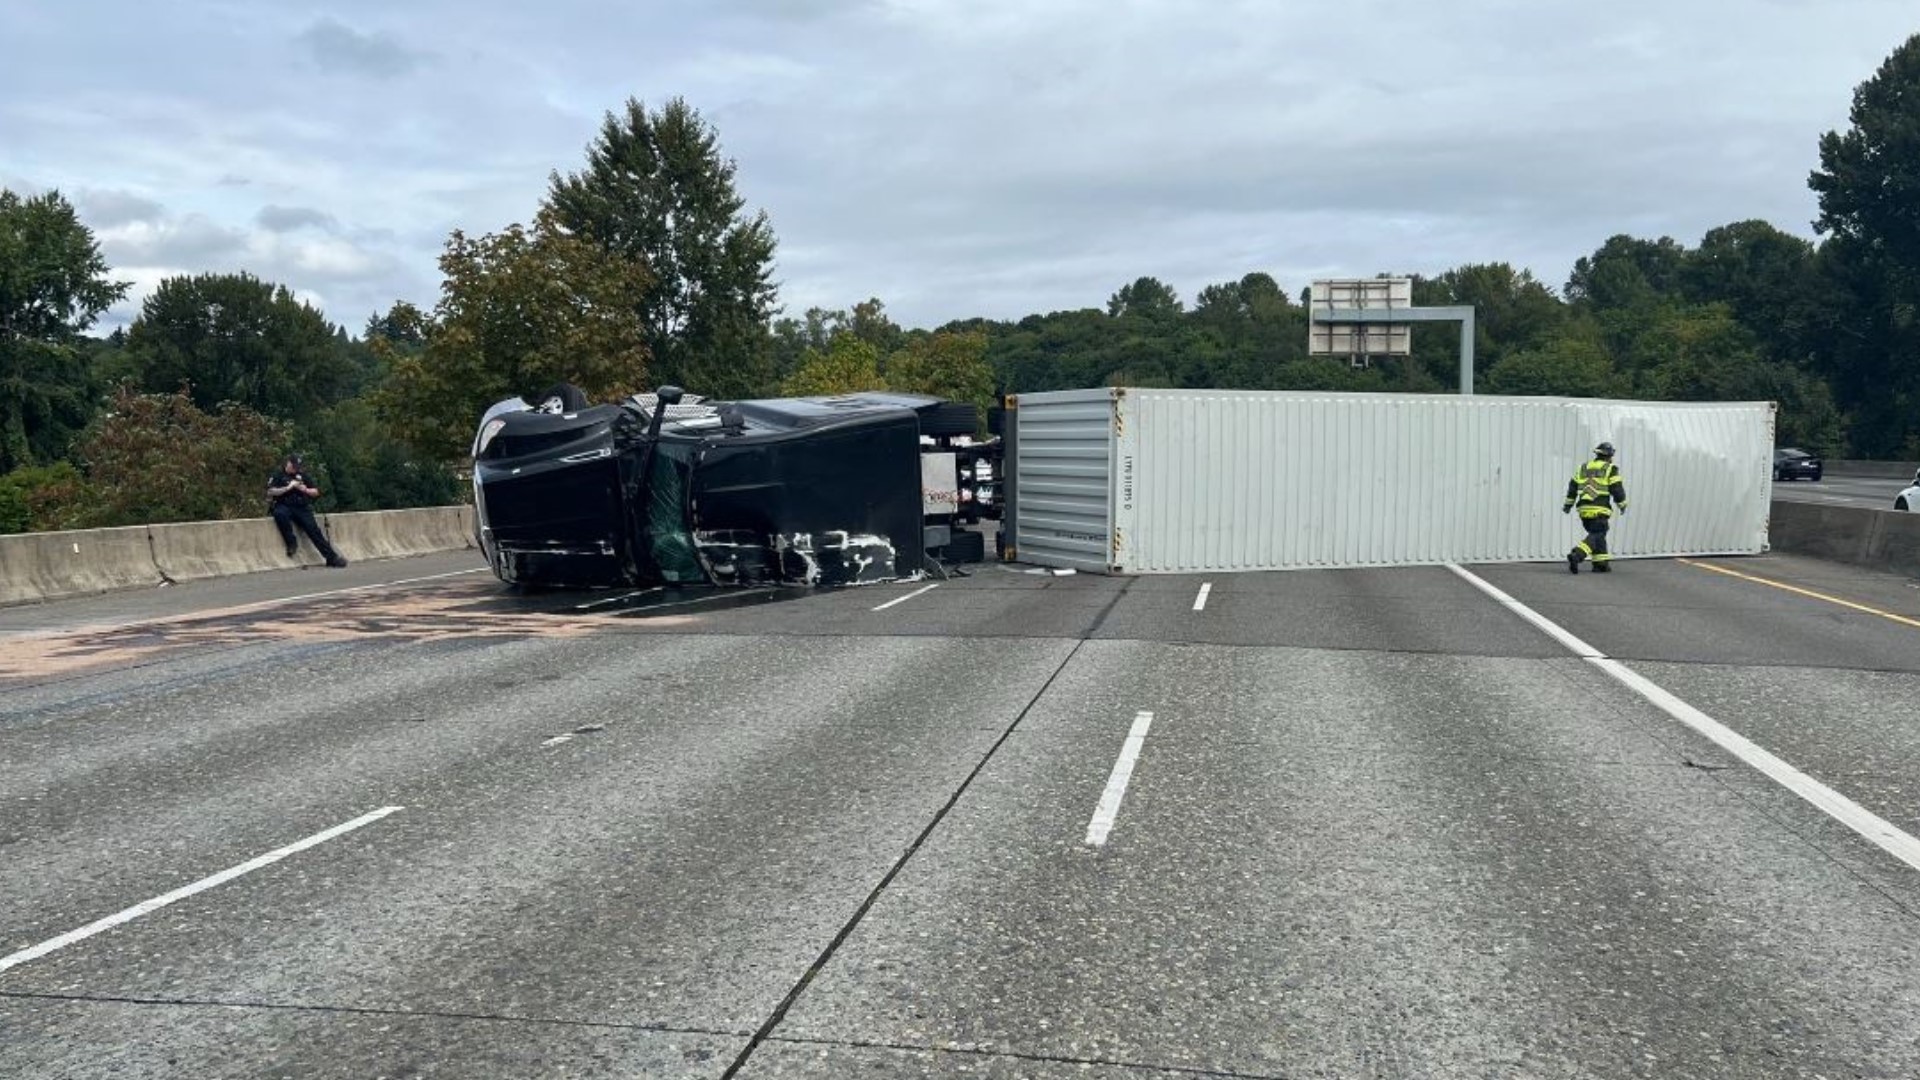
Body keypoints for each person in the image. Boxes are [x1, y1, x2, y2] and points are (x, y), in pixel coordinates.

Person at [268, 454, 348, 568]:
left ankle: (331, 557)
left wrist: (304, 489)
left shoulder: (302, 476)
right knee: (280, 514)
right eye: (294, 466)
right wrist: (288, 487)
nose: (296, 469)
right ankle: (291, 543)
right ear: (288, 463)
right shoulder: (278, 475)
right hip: (284, 504)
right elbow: (271, 491)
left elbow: (315, 491)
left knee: (313, 529)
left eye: (297, 467)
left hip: (301, 506)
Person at [1564, 441, 1626, 573]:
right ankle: (1577, 554)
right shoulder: (1610, 469)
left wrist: (1568, 505)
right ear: (1609, 456)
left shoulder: (1583, 468)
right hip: (1599, 508)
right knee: (1598, 534)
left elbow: (1572, 488)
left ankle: (1600, 564)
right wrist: (1622, 504)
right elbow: (1617, 489)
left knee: (1599, 534)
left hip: (1584, 510)